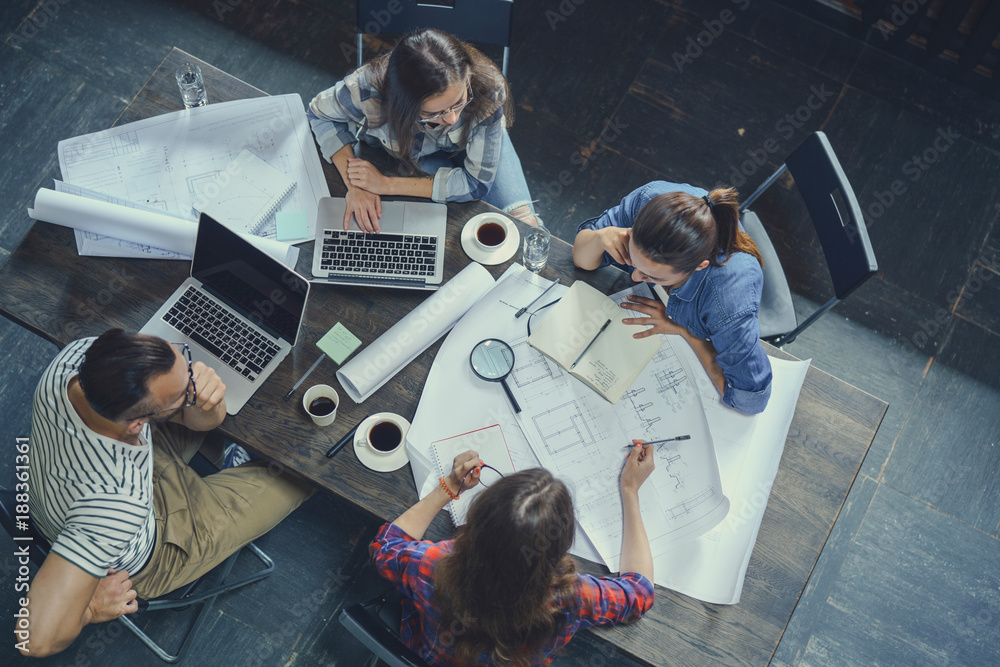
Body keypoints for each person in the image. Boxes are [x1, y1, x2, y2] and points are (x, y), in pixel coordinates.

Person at [17, 329, 314, 657]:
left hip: (87, 488)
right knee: (304, 470)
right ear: (138, 423)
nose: (192, 377)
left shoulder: (75, 358)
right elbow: (33, 639)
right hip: (157, 547)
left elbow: (202, 419)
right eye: (184, 392)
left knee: (222, 414)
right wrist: (91, 608)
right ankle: (235, 465)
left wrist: (203, 403)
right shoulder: (112, 508)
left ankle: (224, 460)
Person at [369, 447, 655, 666]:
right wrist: (630, 491)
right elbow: (640, 592)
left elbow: (384, 545)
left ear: (478, 520)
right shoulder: (572, 598)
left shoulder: (430, 565)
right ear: (560, 544)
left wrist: (450, 487)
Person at [307, 28, 539, 232]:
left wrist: (386, 184)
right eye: (432, 114)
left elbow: (477, 184)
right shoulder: (366, 90)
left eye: (459, 101)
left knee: (526, 227)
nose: (452, 119)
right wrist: (355, 184)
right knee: (456, 226)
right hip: (415, 155)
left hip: (482, 137)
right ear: (401, 103)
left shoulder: (488, 88)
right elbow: (319, 115)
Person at [573, 181, 772, 415]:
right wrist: (600, 237)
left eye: (651, 275)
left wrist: (685, 331)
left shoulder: (728, 301)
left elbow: (750, 400)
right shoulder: (650, 202)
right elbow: (581, 260)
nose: (636, 277)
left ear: (699, 266)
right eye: (633, 261)